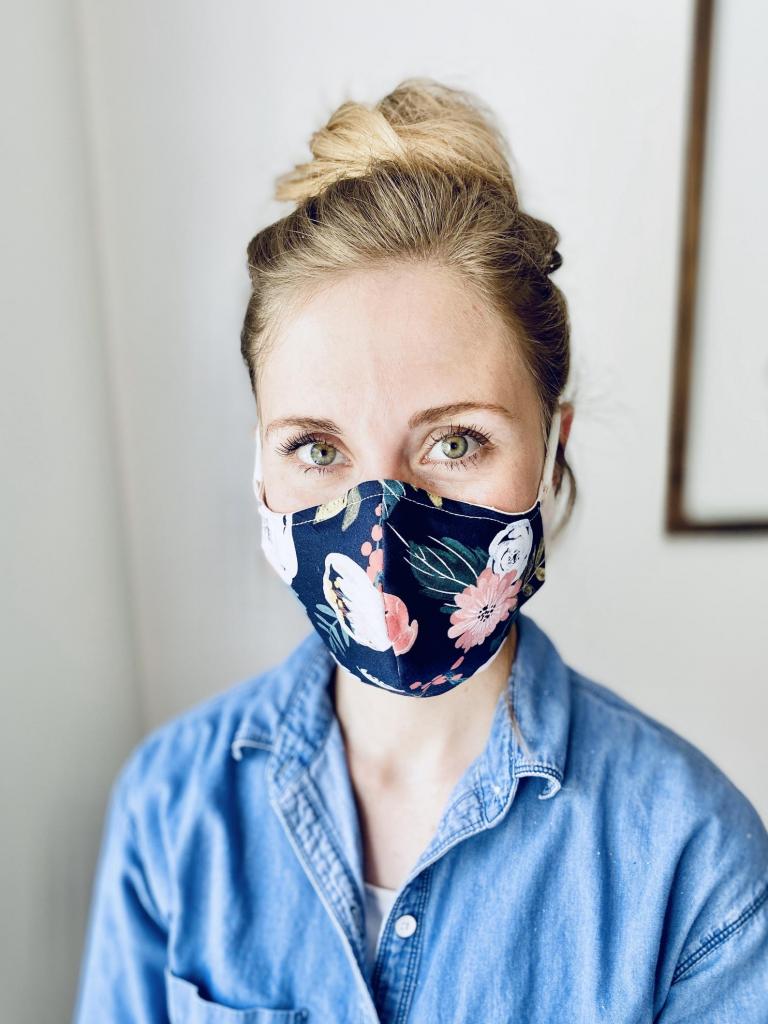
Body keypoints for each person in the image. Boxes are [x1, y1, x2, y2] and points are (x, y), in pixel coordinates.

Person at [72, 78, 768, 1023]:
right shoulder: (169, 809)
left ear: (552, 450)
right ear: (261, 464)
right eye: (317, 449)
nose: (380, 525)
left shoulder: (695, 867)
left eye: (456, 441)